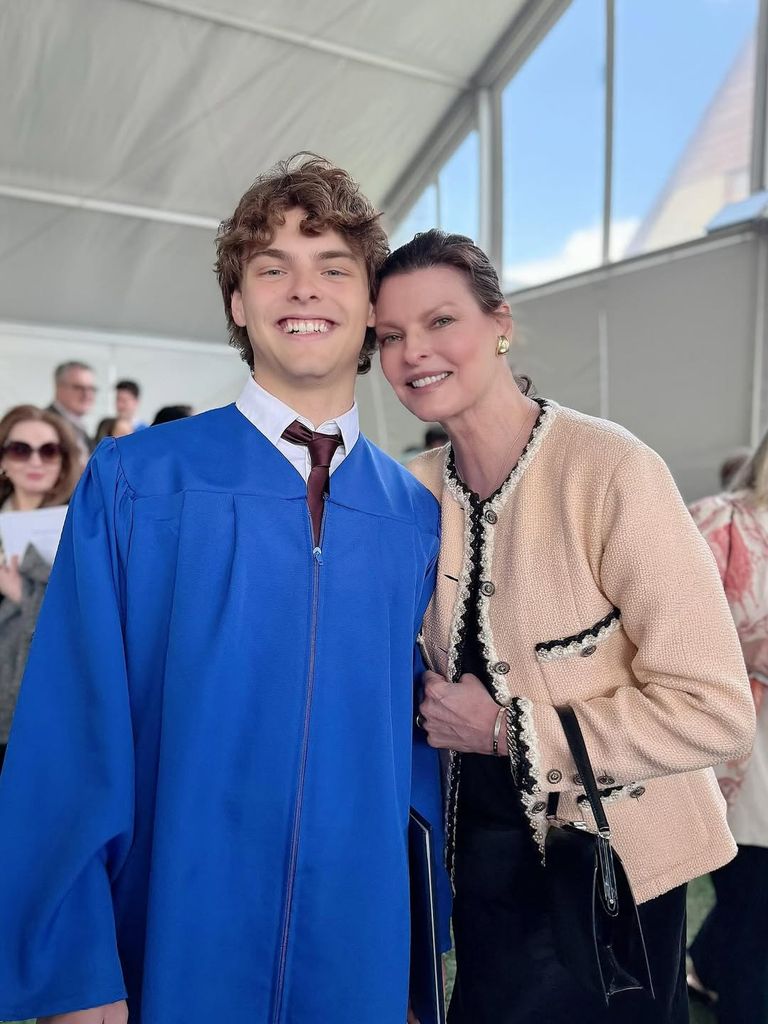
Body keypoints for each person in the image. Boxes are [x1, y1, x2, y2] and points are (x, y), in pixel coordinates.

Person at [0, 157, 448, 1024]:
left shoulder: (413, 517)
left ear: (370, 309)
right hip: (173, 933)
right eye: (270, 268)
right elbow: (70, 725)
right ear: (239, 305)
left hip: (354, 949)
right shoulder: (138, 480)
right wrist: (75, 966)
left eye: (333, 268)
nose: (300, 288)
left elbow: (414, 764)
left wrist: (411, 956)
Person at [374, 229, 755, 1024]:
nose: (415, 352)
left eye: (441, 322)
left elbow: (716, 710)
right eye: (391, 336)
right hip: (478, 881)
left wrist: (512, 730)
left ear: (500, 324)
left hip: (610, 883)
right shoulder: (412, 494)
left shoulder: (611, 470)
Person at [686, 439, 768, 1024]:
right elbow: (672, 630)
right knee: (752, 898)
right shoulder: (721, 521)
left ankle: (707, 965)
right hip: (742, 749)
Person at [0, 405, 81, 772]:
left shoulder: (85, 528)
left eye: (49, 450)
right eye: (20, 449)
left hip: (49, 710)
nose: (36, 460)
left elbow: (87, 624)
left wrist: (24, 596)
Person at [47, 361, 98, 459]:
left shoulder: (80, 428)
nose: (87, 395)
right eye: (79, 388)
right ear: (59, 388)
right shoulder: (45, 424)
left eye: (91, 389)